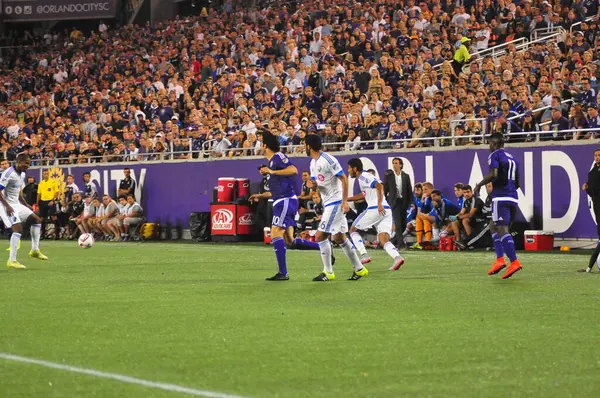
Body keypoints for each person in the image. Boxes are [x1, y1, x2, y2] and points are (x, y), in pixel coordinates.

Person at [249, 132, 319, 281]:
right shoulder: (272, 163)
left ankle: (283, 273)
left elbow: (294, 170)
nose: (260, 145)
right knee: (289, 241)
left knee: (275, 233)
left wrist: (271, 171)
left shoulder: (278, 157)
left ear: (265, 145)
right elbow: (275, 190)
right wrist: (260, 195)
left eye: (262, 142)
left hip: (285, 200)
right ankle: (324, 247)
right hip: (281, 200)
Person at [305, 134, 368, 281]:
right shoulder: (313, 163)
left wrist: (344, 201)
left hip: (336, 201)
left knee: (320, 235)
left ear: (309, 146)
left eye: (304, 145)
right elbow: (318, 183)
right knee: (339, 237)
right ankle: (360, 269)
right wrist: (313, 185)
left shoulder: (328, 160)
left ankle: (328, 272)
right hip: (328, 202)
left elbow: (344, 178)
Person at [475, 133, 522, 279]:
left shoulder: (495, 155)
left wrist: (480, 185)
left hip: (501, 197)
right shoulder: (513, 158)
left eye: (490, 143)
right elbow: (518, 183)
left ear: (495, 143)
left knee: (501, 228)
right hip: (513, 197)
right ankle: (499, 259)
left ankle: (513, 261)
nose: (489, 146)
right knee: (493, 225)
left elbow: (493, 173)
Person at [347, 158, 404, 271]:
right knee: (383, 239)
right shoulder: (364, 178)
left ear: (355, 168)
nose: (348, 171)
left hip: (376, 208)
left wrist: (378, 203)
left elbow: (379, 186)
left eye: (349, 168)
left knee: (353, 230)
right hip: (385, 209)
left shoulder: (363, 176)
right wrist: (346, 199)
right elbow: (364, 194)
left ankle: (364, 256)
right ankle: (397, 258)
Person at [0, 153, 47, 268]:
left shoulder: (22, 174)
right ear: (18, 162)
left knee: (37, 220)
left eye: (29, 163)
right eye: (26, 163)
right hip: (5, 205)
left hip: (16, 204)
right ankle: (12, 260)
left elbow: (18, 193)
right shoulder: (8, 174)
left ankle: (35, 250)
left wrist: (26, 205)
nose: (28, 165)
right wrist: (7, 207)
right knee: (18, 229)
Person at [383, 157, 413, 248]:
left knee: (403, 224)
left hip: (403, 201)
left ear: (400, 164)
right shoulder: (389, 176)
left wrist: (411, 202)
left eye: (396, 163)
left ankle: (392, 241)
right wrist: (384, 201)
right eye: (393, 163)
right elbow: (385, 189)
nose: (394, 165)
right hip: (394, 201)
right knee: (398, 223)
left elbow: (409, 190)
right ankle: (401, 244)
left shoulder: (406, 176)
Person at [581, 149, 600, 273]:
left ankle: (589, 266)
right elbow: (593, 192)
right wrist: (586, 188)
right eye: (596, 155)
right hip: (597, 206)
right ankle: (589, 267)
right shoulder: (592, 172)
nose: (597, 157)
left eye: (599, 155)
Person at [37, 169, 60, 240]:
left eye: (47, 174)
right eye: (44, 174)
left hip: (50, 201)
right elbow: (39, 194)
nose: (45, 175)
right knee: (41, 218)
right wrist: (37, 203)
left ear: (49, 174)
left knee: (53, 217)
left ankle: (57, 235)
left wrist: (53, 200)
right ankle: (43, 235)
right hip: (42, 202)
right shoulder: (41, 183)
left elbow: (57, 192)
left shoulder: (53, 182)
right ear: (43, 175)